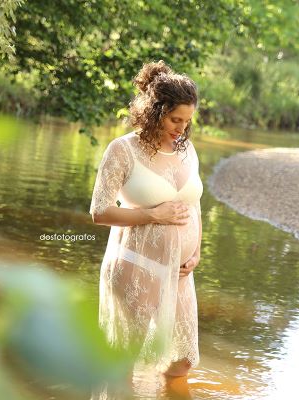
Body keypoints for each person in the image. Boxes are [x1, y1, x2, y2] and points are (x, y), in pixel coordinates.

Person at [89, 60, 203, 392]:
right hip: (135, 266)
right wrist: (153, 215)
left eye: (187, 121)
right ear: (154, 111)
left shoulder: (186, 150)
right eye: (174, 119)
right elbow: (99, 212)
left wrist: (195, 251)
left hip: (180, 271)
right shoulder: (122, 151)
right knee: (123, 365)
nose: (180, 128)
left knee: (182, 360)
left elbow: (194, 203)